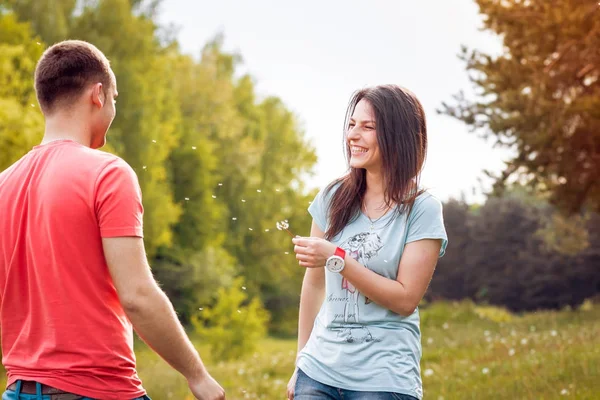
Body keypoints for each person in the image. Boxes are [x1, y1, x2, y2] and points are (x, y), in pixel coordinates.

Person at [0, 40, 225, 400]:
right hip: (97, 389)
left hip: (18, 390)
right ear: (98, 94)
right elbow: (136, 295)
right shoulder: (108, 173)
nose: (113, 107)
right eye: (115, 99)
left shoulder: (4, 183)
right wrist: (197, 376)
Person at [287, 84, 448, 400]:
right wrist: (300, 360)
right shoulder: (332, 198)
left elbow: (405, 299)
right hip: (317, 371)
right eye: (352, 124)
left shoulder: (423, 209)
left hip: (383, 377)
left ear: (396, 136)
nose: (352, 135)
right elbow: (314, 285)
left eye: (367, 127)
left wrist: (337, 258)